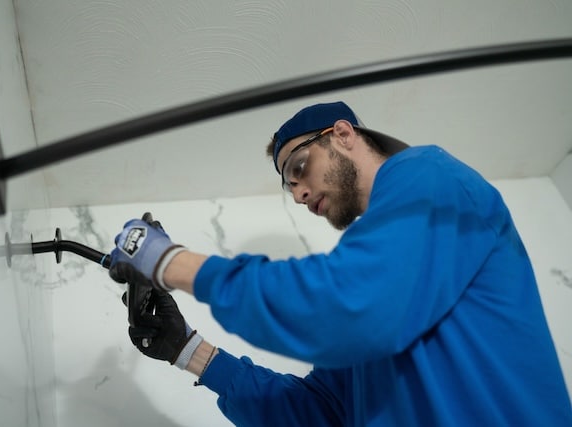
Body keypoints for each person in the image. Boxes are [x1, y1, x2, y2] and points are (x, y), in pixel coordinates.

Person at [108, 101, 572, 426]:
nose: (299, 193)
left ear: (343, 134)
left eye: (298, 168)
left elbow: (346, 305)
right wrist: (188, 350)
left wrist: (165, 260)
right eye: (289, 187)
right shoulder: (384, 282)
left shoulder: (429, 178)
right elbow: (323, 410)